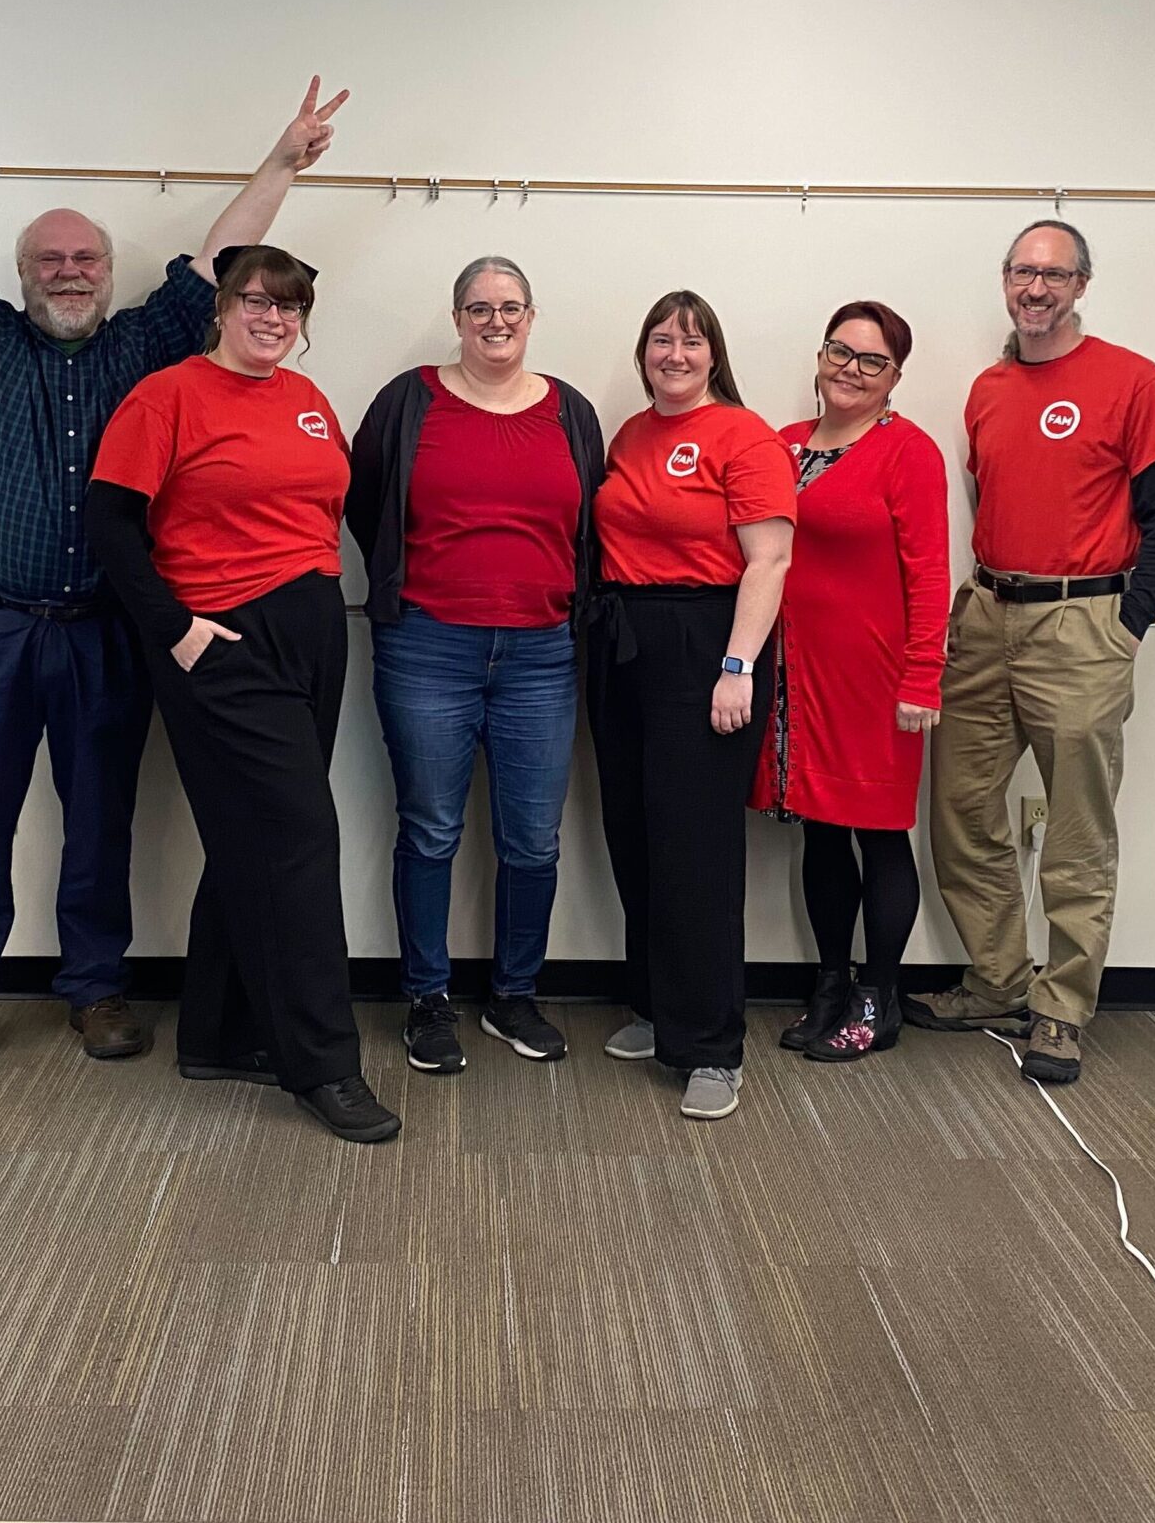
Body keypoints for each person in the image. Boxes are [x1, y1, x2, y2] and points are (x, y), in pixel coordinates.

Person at [0, 19, 342, 1083]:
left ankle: (95, 991)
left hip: (105, 627)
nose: (69, 271)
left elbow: (221, 256)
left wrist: (282, 161)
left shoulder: (147, 345)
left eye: (85, 257)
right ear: (20, 275)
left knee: (100, 822)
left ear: (106, 270)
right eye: (49, 260)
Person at [85, 238, 403, 1144]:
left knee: (251, 838)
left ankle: (217, 1031)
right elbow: (109, 521)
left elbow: (330, 512)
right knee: (302, 839)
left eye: (290, 306)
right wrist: (176, 630)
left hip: (309, 640)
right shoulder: (168, 396)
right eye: (256, 301)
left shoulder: (307, 402)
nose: (273, 318)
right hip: (222, 645)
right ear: (222, 307)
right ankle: (324, 1065)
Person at [925, 219, 1155, 1087]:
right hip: (990, 615)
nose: (1034, 289)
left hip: (1083, 626)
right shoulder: (988, 389)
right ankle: (998, 979)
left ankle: (1062, 1010)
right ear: (1005, 281)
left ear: (1081, 285)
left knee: (1078, 831)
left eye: (1053, 275)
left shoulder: (1131, 380)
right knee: (962, 811)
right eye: (1020, 273)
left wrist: (1126, 625)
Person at [347, 258, 606, 1075]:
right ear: (457, 318)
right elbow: (365, 499)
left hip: (541, 652)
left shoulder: (571, 412)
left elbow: (591, 519)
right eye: (479, 308)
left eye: (511, 308)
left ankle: (512, 995)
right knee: (430, 829)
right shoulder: (409, 400)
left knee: (532, 841)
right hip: (428, 646)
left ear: (532, 317)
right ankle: (427, 999)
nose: (496, 321)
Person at [588, 292, 796, 1121]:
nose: (674, 353)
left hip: (710, 641)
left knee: (696, 848)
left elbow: (770, 561)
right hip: (623, 639)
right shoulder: (632, 434)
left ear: (715, 354)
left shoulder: (743, 436)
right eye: (661, 339)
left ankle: (711, 1048)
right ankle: (656, 1008)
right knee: (634, 830)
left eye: (691, 340)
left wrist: (737, 665)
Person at [754, 302, 950, 1063]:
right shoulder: (782, 444)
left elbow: (930, 572)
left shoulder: (909, 452)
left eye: (872, 360)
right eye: (841, 350)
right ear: (820, 353)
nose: (851, 369)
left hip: (878, 678)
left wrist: (923, 679)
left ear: (895, 377)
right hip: (796, 674)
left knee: (878, 829)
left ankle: (880, 994)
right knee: (822, 827)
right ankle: (830, 984)